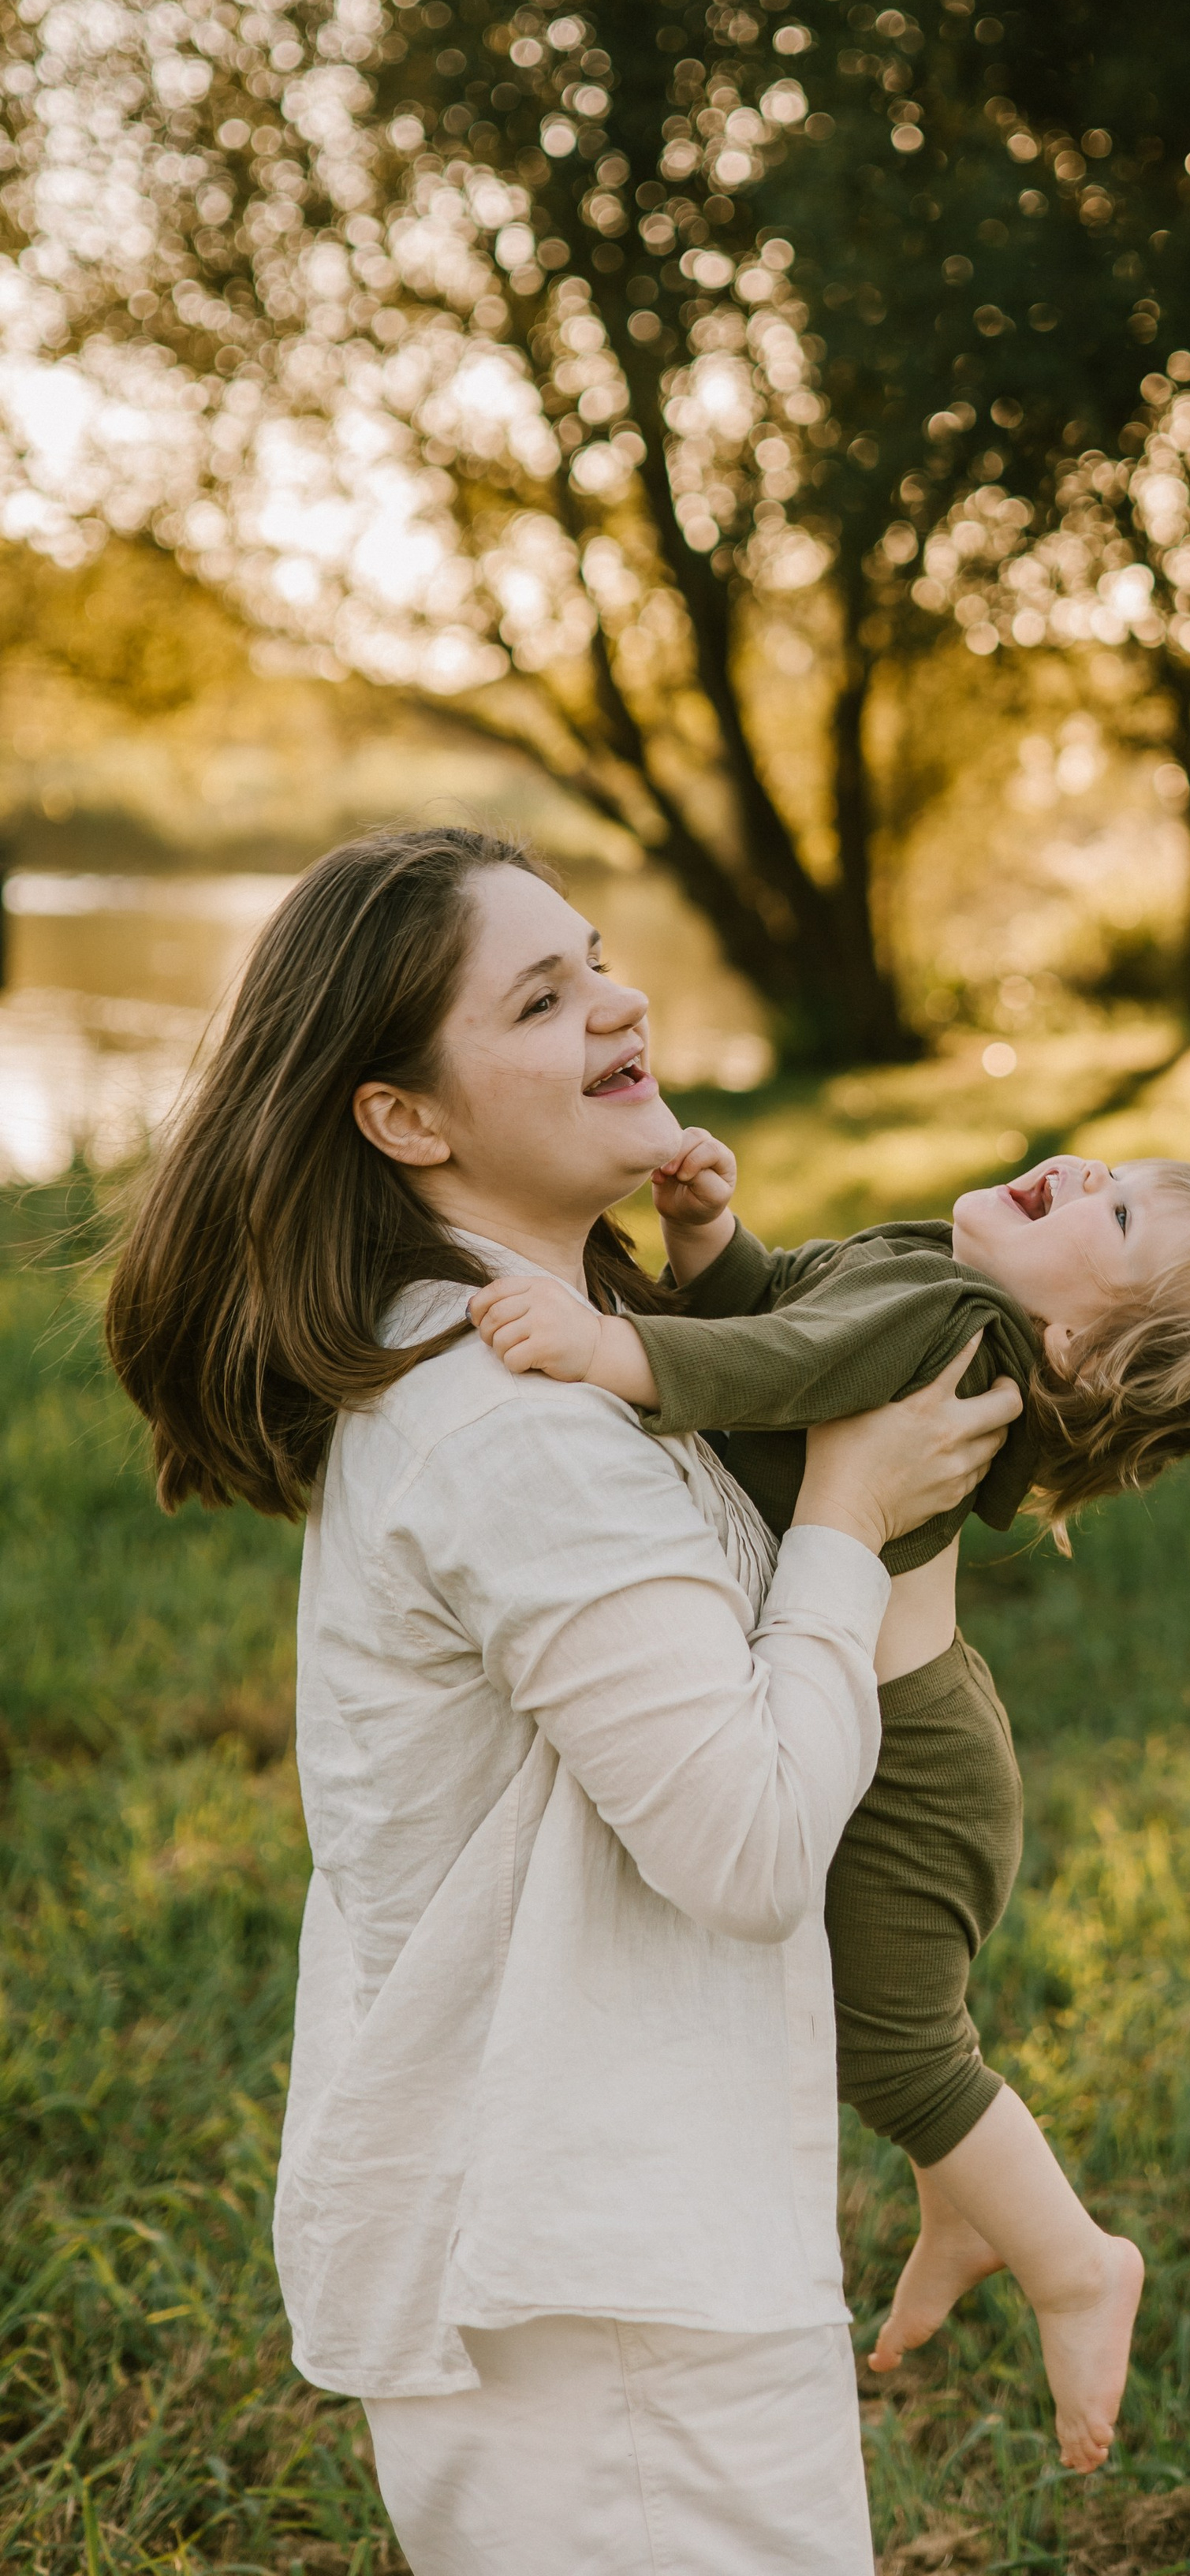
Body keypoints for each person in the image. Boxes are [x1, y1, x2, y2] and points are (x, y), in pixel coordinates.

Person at [103, 828, 1023, 2576]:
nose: (619, 1002)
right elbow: (748, 1848)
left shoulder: (548, 1343)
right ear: (406, 1120)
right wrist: (849, 1505)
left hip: (603, 2233)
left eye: (596, 958)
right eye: (542, 996)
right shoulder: (512, 1419)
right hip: (592, 2296)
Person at [465, 1125, 1190, 2472]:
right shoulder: (935, 1281)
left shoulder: (964, 1323)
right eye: (1118, 1171)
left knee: (899, 2051)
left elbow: (779, 1372)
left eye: (1122, 1221)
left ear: (1068, 1352)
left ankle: (1078, 2267)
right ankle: (963, 2209)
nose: (1087, 1175)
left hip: (909, 1773)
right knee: (888, 2042)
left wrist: (611, 1345)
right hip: (916, 1724)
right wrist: (714, 1254)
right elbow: (795, 1325)